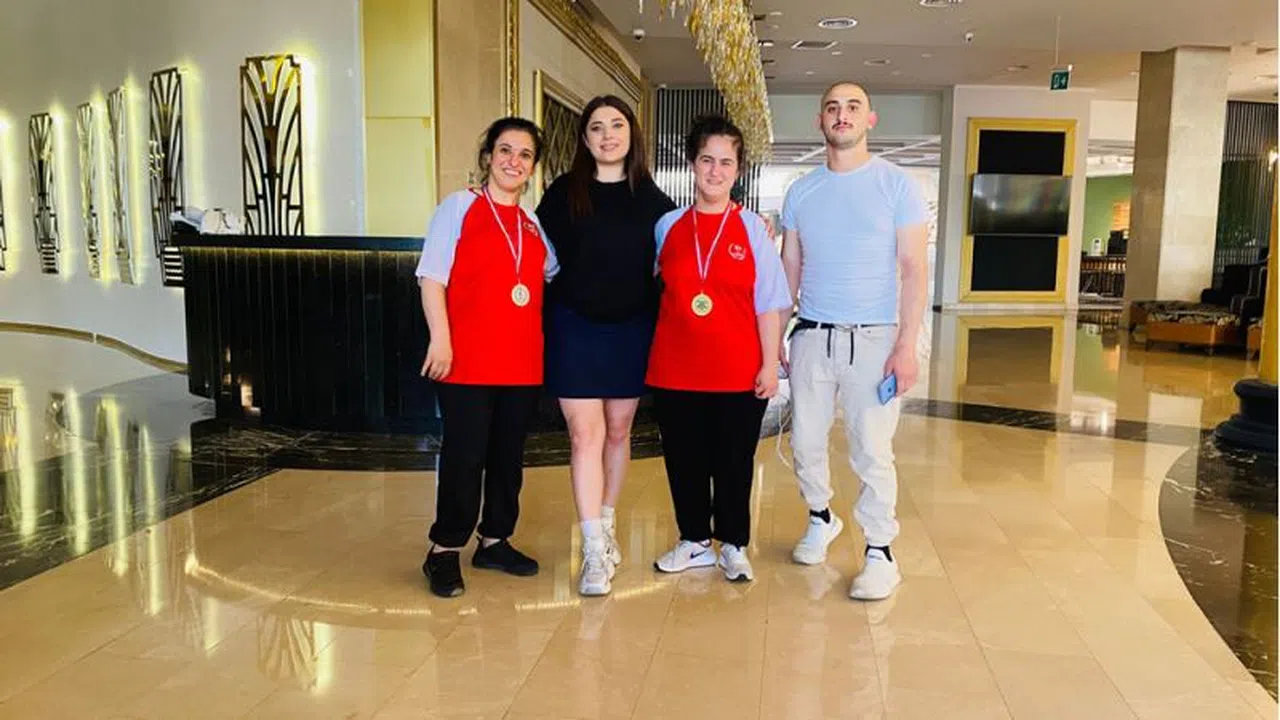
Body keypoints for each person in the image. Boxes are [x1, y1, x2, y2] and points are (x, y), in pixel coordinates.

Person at [780, 82, 929, 601]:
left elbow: (914, 269)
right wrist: (776, 336)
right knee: (804, 442)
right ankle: (821, 517)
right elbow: (789, 267)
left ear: (870, 119)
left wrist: (906, 345)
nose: (841, 115)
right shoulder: (801, 191)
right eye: (832, 108)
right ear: (820, 121)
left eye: (852, 107)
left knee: (871, 449)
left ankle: (880, 552)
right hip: (812, 336)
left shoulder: (896, 185)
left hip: (874, 339)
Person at [535, 96, 675, 596]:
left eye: (617, 125)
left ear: (632, 134)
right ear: (584, 138)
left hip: (632, 328)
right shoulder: (562, 193)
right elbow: (535, 250)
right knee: (583, 435)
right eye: (596, 127)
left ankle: (608, 523)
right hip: (574, 326)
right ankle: (593, 548)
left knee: (618, 431)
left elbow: (676, 260)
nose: (608, 135)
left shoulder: (655, 202)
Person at [415, 117, 559, 599]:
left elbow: (553, 272)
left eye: (525, 155)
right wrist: (440, 339)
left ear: (533, 168)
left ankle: (495, 540)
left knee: (507, 458)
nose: (514, 161)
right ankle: (443, 550)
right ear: (488, 157)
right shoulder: (459, 207)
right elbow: (432, 278)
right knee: (465, 455)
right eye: (505, 150)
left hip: (522, 362)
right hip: (468, 360)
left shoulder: (533, 223)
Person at [647, 115, 791, 583]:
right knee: (684, 459)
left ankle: (732, 543)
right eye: (707, 160)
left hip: (737, 369)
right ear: (692, 164)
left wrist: (769, 364)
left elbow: (768, 302)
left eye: (725, 162)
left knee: (733, 461)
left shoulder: (752, 229)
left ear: (738, 170)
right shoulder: (667, 225)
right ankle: (693, 540)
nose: (715, 171)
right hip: (675, 367)